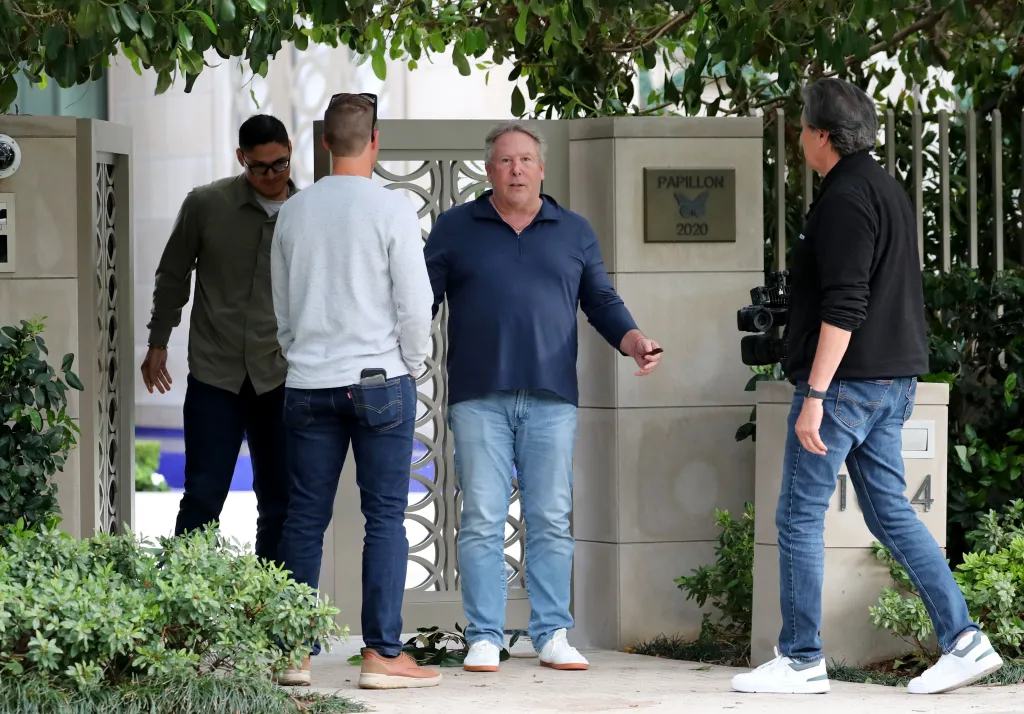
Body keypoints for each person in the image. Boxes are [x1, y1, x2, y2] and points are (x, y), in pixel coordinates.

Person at [730, 78, 1003, 696]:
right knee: (890, 512)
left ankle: (801, 659)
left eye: (802, 126)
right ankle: (965, 641)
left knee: (798, 515)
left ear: (821, 135)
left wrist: (817, 393)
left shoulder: (847, 197)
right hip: (889, 380)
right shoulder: (883, 188)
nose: (800, 136)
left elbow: (846, 302)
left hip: (847, 387)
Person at [423, 121, 663, 674]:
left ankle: (552, 632)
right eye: (505, 161)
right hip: (478, 397)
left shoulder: (573, 230)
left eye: (526, 160)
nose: (516, 169)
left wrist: (633, 340)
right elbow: (422, 303)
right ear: (489, 170)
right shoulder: (456, 228)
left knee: (551, 517)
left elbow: (600, 299)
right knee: (483, 517)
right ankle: (484, 636)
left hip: (553, 398)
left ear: (542, 168)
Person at [270, 92, 441, 690]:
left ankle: (294, 653)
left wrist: (302, 356)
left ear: (323, 142)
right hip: (379, 382)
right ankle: (381, 656)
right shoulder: (391, 209)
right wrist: (413, 364)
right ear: (374, 143)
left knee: (303, 520)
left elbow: (282, 308)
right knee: (385, 518)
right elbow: (415, 304)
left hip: (309, 381)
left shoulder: (293, 211)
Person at [142, 114, 297, 565]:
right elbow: (172, 275)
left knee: (279, 503)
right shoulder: (206, 205)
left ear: (290, 150)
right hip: (216, 375)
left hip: (281, 376)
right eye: (259, 167)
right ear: (240, 159)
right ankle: (182, 606)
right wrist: (158, 341)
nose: (271, 176)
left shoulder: (307, 212)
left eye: (280, 164)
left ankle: (271, 614)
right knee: (203, 497)